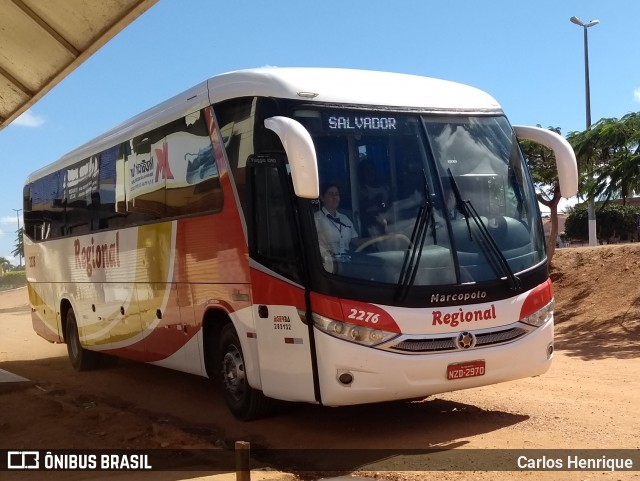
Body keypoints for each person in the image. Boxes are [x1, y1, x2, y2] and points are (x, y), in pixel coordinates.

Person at [315, 183, 362, 262]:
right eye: (331, 194)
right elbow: (311, 243)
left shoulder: (345, 218)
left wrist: (377, 238)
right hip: (327, 264)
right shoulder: (316, 218)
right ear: (322, 198)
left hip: (348, 262)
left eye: (337, 194)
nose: (334, 197)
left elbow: (356, 241)